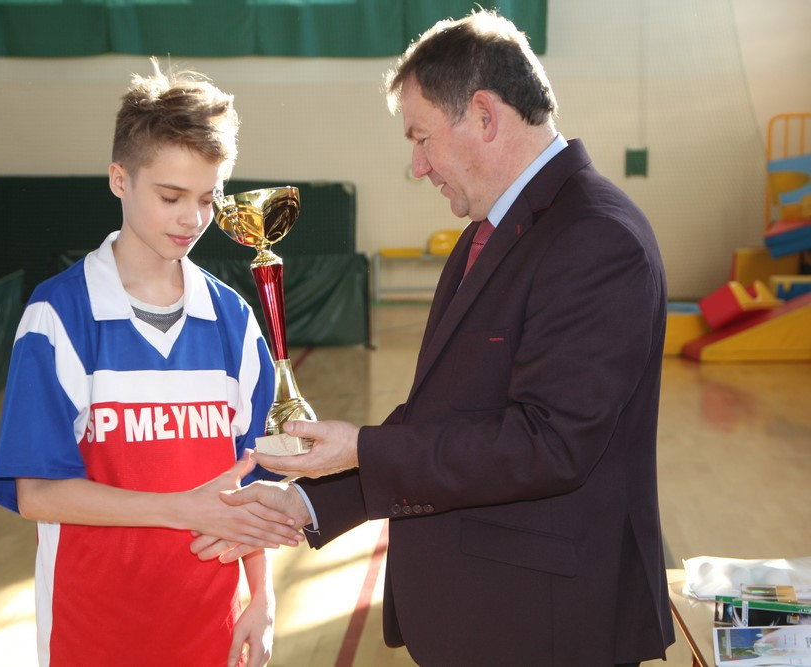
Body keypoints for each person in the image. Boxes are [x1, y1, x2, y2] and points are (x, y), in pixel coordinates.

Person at [194, 10, 675, 667]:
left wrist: (361, 447)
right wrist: (306, 500)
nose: (417, 166)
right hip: (492, 618)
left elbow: (549, 444)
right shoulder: (493, 230)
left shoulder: (596, 238)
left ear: (484, 114)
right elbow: (448, 418)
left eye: (421, 139)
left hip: (547, 629)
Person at [0, 60, 304, 667]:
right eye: (170, 196)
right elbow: (36, 492)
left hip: (213, 626)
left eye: (208, 199)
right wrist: (175, 508)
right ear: (119, 179)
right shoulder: (58, 316)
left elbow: (253, 480)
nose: (192, 219)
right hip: (90, 631)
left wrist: (262, 599)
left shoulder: (234, 320)